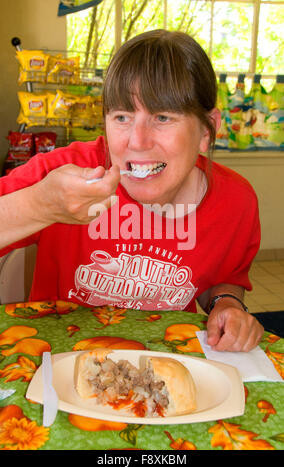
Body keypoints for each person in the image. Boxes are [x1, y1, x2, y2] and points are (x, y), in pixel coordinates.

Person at [0, 29, 263, 351]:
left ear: (207, 131)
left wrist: (226, 304)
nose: (137, 142)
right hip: (58, 364)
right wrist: (38, 205)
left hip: (166, 365)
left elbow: (225, 279)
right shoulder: (64, 172)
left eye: (163, 117)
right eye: (122, 117)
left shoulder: (236, 202)